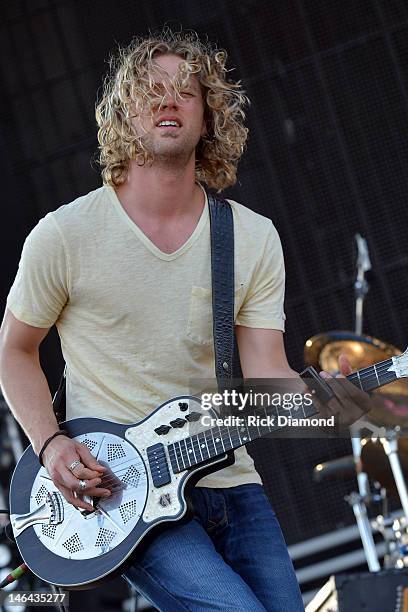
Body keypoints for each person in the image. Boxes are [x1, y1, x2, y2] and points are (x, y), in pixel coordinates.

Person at [0, 29, 369, 611]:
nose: (167, 100)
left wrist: (347, 403)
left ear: (209, 115)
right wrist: (49, 446)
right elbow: (14, 351)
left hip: (232, 477)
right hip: (124, 489)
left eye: (185, 92)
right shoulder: (64, 235)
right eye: (150, 90)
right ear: (125, 113)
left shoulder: (250, 237)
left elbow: (266, 374)